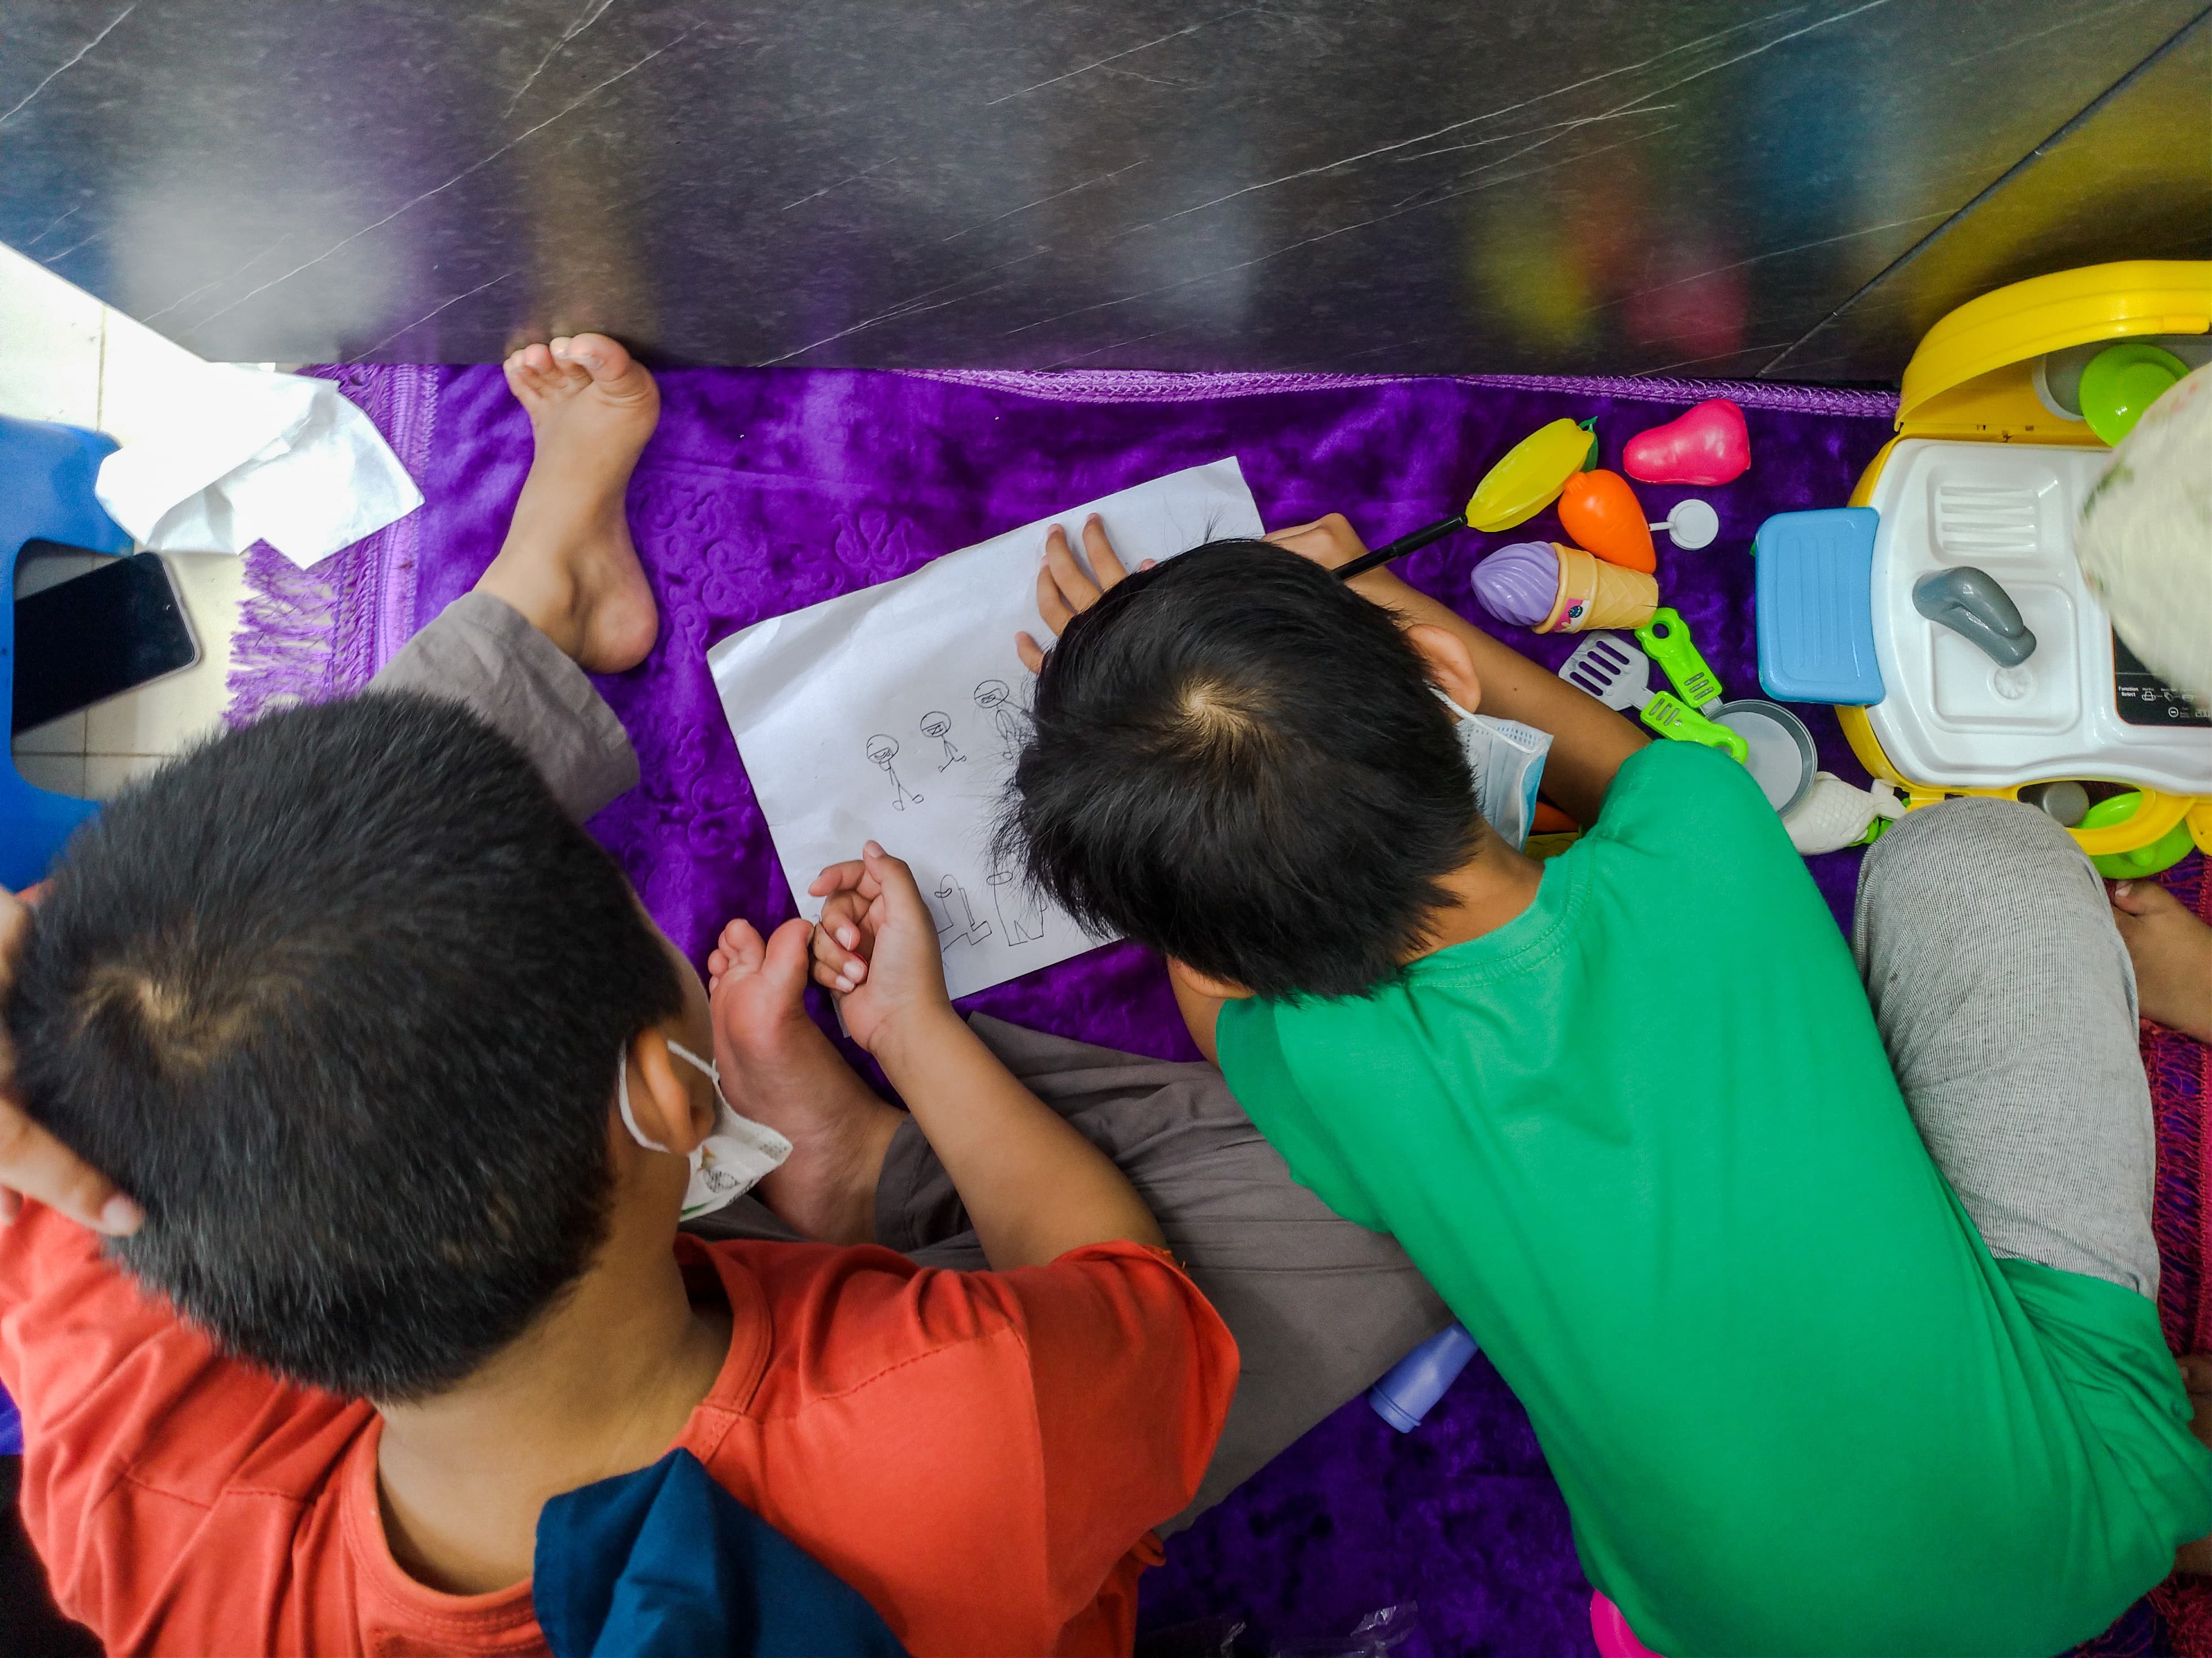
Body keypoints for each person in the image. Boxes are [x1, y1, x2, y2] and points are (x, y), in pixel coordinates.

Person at [0, 338, 1446, 1656]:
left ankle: (553, 593)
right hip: (954, 1426)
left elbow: (108, 985)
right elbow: (1127, 1303)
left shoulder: (143, 1508)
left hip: (586, 1266)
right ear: (672, 1093)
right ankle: (869, 1172)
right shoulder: (952, 1427)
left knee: (263, 901)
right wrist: (912, 1048)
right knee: (1396, 1190)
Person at [987, 514, 2212, 1656]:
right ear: (1442, 680)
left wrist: (1169, 834)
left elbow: (1216, 1002)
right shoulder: (1701, 827)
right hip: (2086, 1513)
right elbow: (1614, 771)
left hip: (1721, 1622)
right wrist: (1374, 589)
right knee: (1973, 851)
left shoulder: (1312, 1061)